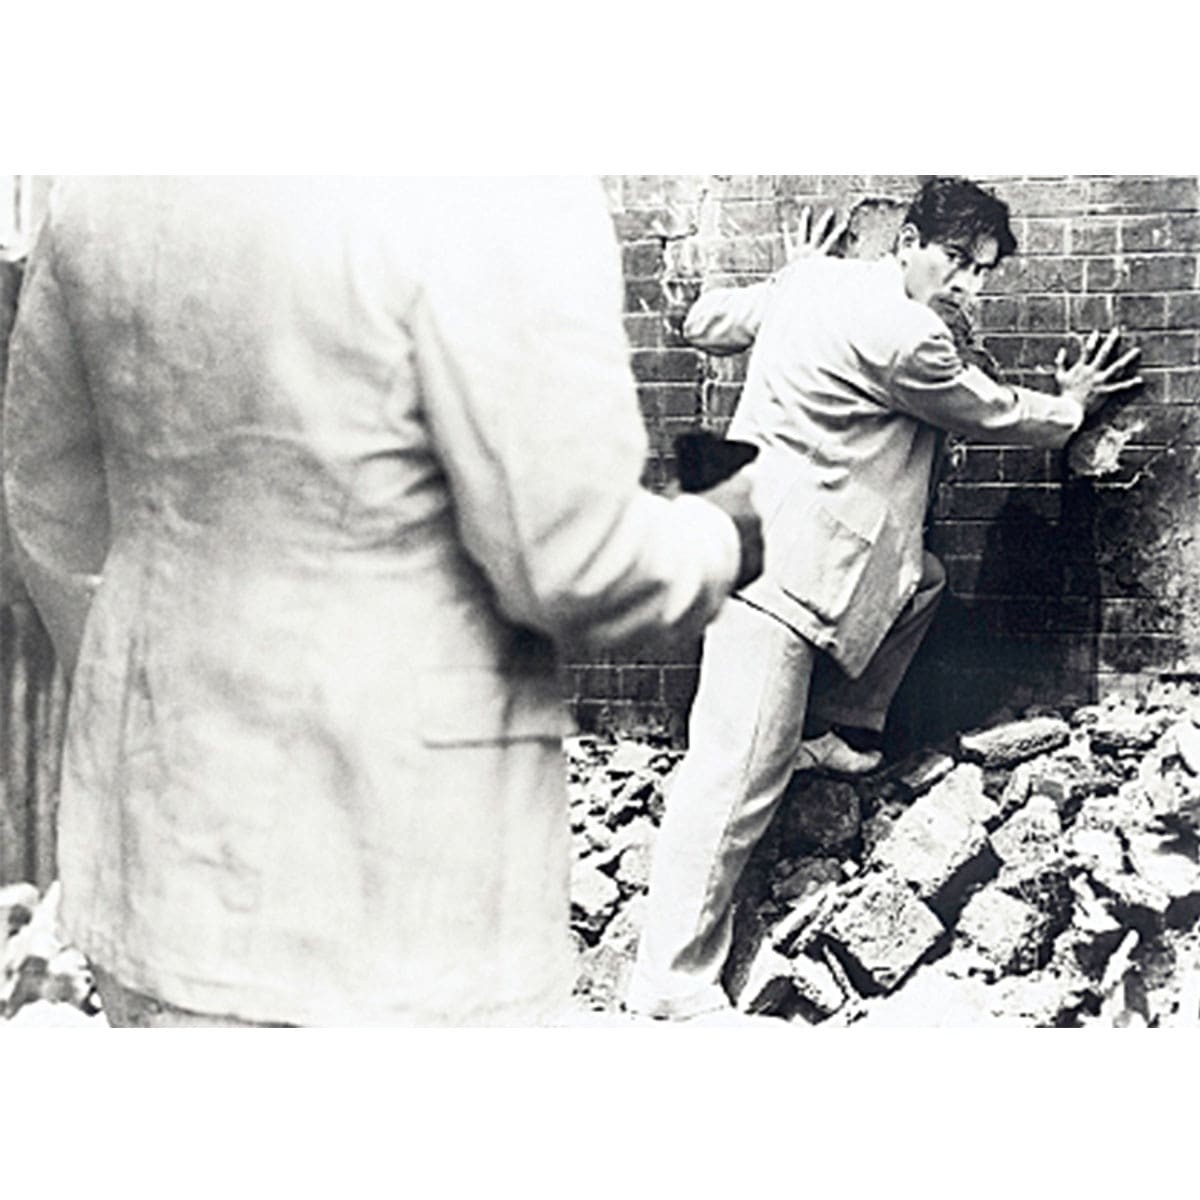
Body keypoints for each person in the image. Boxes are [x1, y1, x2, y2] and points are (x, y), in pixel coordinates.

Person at [1, 177, 763, 1027]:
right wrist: (720, 534)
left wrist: (156, 721)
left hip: (152, 881)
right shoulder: (493, 185)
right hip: (395, 902)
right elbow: (574, 559)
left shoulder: (103, 184)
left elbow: (51, 507)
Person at [626, 176, 1142, 1021]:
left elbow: (705, 322)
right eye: (955, 259)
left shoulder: (816, 279)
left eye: (982, 270)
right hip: (779, 575)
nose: (967, 283)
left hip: (759, 530)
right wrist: (1071, 407)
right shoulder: (910, 338)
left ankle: (832, 729)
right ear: (908, 241)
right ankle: (670, 983)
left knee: (920, 580)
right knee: (731, 780)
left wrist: (786, 279)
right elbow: (991, 411)